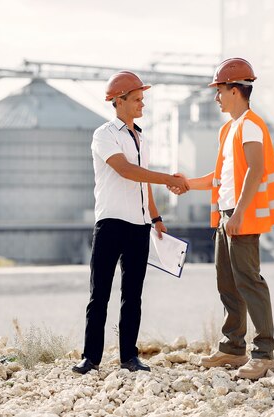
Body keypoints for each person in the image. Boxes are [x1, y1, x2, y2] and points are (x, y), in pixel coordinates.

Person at [169, 58, 274, 379]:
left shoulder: (250, 124)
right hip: (227, 215)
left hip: (240, 216)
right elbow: (221, 176)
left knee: (250, 281)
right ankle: (233, 348)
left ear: (235, 90)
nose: (216, 97)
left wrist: (238, 213)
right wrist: (187, 184)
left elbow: (256, 168)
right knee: (227, 282)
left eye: (219, 90)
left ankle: (263, 353)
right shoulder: (230, 128)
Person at [72, 70, 189, 374]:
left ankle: (129, 358)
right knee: (99, 295)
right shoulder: (104, 135)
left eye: (142, 99)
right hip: (111, 225)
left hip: (140, 227)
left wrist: (157, 217)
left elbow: (143, 185)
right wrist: (168, 179)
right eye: (137, 99)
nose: (142, 105)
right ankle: (91, 359)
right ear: (118, 100)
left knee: (133, 296)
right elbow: (126, 171)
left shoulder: (142, 138)